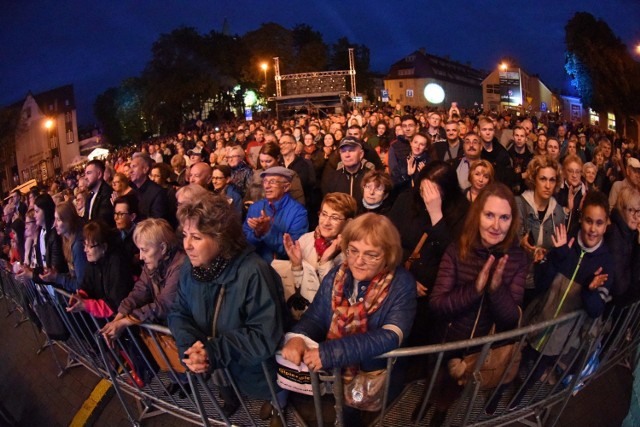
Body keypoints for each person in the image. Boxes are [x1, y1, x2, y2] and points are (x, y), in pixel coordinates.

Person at [281, 213, 416, 424]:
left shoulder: (402, 284)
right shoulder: (337, 275)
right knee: (343, 409)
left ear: (388, 255)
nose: (358, 261)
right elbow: (316, 316)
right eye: (353, 251)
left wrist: (331, 353)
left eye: (371, 255)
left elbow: (391, 335)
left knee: (364, 412)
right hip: (339, 372)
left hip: (372, 374)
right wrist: (298, 336)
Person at [168, 193, 287, 423]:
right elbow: (178, 312)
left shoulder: (254, 271)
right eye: (185, 235)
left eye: (196, 237)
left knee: (273, 399)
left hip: (256, 372)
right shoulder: (190, 268)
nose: (187, 245)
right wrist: (190, 347)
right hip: (222, 370)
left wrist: (213, 352)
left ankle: (277, 409)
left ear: (221, 238)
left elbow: (265, 334)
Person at [421, 183, 527, 423]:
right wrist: (475, 290)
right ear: (477, 214)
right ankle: (427, 404)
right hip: (447, 341)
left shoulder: (518, 258)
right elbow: (437, 304)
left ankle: (439, 410)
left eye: (504, 217)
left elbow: (511, 318)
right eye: (489, 215)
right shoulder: (458, 249)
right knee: (435, 382)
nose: (496, 226)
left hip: (480, 348)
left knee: (451, 394)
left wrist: (495, 289)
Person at [513, 191, 613, 406]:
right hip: (540, 320)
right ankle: (504, 392)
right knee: (520, 361)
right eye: (588, 221)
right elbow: (542, 284)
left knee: (535, 372)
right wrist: (554, 258)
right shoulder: (564, 243)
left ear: (607, 224)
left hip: (563, 335)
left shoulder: (606, 263)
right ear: (581, 219)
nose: (592, 229)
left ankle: (517, 399)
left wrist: (590, 290)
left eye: (599, 223)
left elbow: (595, 310)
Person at [388, 161, 470, 346]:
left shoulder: (462, 211)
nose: (427, 197)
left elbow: (455, 255)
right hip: (398, 281)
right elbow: (387, 239)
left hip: (432, 296)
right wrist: (405, 279)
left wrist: (436, 216)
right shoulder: (407, 200)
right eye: (424, 189)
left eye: (433, 192)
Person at [101, 218, 185, 342]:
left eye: (145, 250)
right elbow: (140, 290)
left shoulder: (180, 265)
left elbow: (165, 304)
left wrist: (125, 322)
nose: (140, 256)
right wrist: (117, 320)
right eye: (139, 250)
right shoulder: (153, 261)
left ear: (162, 248)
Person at [279, 193, 357, 319]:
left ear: (348, 222)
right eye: (324, 214)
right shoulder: (305, 240)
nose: (326, 222)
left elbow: (334, 295)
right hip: (304, 314)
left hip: (331, 317)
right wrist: (296, 265)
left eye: (335, 218)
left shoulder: (351, 252)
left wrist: (326, 260)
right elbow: (296, 289)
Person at [516, 155, 565, 303]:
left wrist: (548, 253)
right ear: (534, 179)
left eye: (552, 180)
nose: (548, 185)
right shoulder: (519, 204)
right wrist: (520, 242)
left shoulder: (558, 212)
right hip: (517, 280)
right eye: (543, 179)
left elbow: (556, 251)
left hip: (542, 281)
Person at [66, 220, 134, 318]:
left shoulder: (117, 263)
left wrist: (86, 305)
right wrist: (80, 297)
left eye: (90, 246)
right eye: (84, 245)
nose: (85, 250)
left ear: (104, 247)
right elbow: (87, 286)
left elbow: (116, 303)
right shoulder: (93, 262)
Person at [243, 167, 308, 262]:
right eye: (265, 181)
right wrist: (256, 234)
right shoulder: (255, 208)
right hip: (255, 265)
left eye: (272, 182)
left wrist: (267, 231)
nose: (267, 186)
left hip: (281, 268)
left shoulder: (298, 212)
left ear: (286, 187)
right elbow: (244, 244)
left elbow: (293, 250)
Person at [38, 202, 87, 292]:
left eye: (58, 220)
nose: (55, 224)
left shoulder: (78, 246)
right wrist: (55, 275)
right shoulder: (67, 240)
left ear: (68, 221)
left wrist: (58, 278)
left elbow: (81, 284)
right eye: (55, 219)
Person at [605, 187, 640, 304]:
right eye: (631, 210)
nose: (636, 216)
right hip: (611, 312)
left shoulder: (632, 234)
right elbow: (620, 287)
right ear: (621, 209)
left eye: (638, 211)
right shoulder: (614, 235)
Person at [556, 155, 587, 237]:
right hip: (556, 237)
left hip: (574, 240)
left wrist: (580, 211)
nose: (574, 175)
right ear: (564, 172)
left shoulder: (585, 194)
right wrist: (566, 210)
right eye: (570, 171)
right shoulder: (557, 190)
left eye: (577, 172)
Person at [84, 160, 115, 226]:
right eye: (85, 174)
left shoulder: (107, 193)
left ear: (99, 174)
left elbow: (103, 223)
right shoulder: (89, 196)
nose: (85, 177)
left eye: (89, 173)